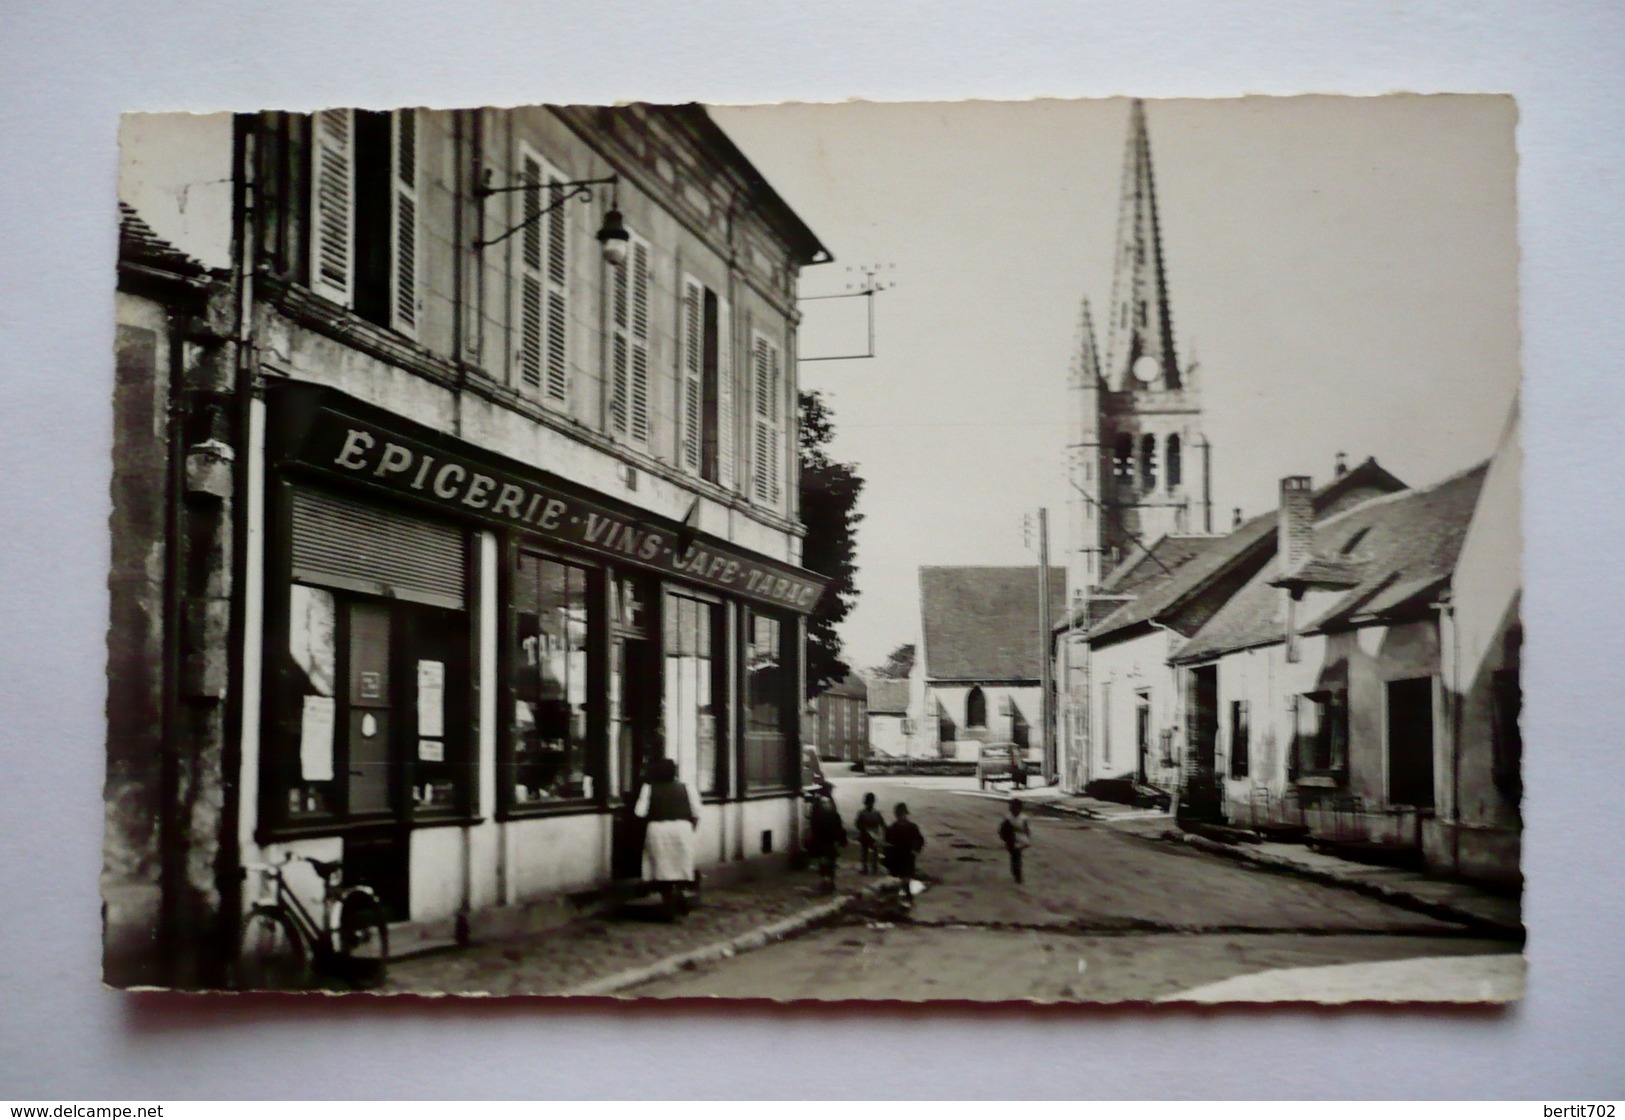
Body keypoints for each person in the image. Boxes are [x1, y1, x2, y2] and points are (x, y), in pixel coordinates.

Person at [634, 757, 700, 918]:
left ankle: (668, 901)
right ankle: (681, 894)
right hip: (682, 829)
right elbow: (697, 812)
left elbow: (639, 812)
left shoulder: (649, 788)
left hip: (658, 829)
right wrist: (691, 829)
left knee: (662, 866)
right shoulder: (687, 787)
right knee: (681, 863)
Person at [806, 781, 848, 893]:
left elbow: (813, 821)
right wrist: (841, 837)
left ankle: (825, 881)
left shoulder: (817, 804)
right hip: (829, 837)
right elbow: (837, 821)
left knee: (823, 860)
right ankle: (830, 882)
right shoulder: (830, 803)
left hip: (820, 837)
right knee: (830, 860)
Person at [883, 802, 926, 908]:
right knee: (904, 879)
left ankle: (900, 901)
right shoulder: (911, 827)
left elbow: (887, 843)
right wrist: (916, 850)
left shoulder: (893, 828)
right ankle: (907, 900)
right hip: (905, 856)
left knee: (900, 879)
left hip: (899, 857)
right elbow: (920, 841)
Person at [999, 797, 1033, 884]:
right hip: (1011, 840)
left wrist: (1028, 837)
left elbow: (1026, 829)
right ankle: (1016, 872)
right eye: (1013, 807)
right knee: (1014, 856)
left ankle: (1017, 873)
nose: (1015, 810)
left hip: (1020, 839)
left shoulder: (1023, 818)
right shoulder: (1008, 818)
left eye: (1017, 808)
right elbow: (1003, 829)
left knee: (1017, 856)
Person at [853, 791, 887, 875]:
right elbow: (883, 825)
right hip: (875, 835)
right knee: (875, 852)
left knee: (864, 852)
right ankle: (874, 868)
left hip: (865, 835)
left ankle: (865, 868)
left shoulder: (862, 813)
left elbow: (857, 825)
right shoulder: (877, 813)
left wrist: (863, 829)